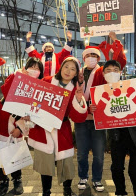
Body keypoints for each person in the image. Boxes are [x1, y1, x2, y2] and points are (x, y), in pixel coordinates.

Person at [89, 59, 136, 196]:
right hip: (116, 137)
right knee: (116, 168)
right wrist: (93, 109)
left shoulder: (133, 86)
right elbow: (101, 114)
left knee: (135, 170)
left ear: (120, 72)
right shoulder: (99, 92)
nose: (112, 73)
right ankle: (120, 192)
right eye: (108, 70)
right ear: (103, 74)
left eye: (115, 70)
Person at [28, 57, 88, 196]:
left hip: (62, 130)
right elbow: (33, 99)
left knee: (66, 164)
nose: (68, 71)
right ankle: (46, 191)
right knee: (45, 165)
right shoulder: (47, 81)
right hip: (43, 129)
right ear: (61, 67)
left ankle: (67, 189)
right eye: (66, 66)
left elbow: (78, 117)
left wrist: (79, 100)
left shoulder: (74, 89)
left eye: (73, 69)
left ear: (75, 74)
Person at [75, 32, 127, 192]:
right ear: (83, 58)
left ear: (98, 58)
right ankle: (83, 177)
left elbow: (119, 63)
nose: (91, 57)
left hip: (99, 119)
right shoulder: (77, 72)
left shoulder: (103, 71)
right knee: (82, 153)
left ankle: (97, 179)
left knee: (98, 153)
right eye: (88, 55)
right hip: (82, 118)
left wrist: (115, 41)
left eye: (94, 55)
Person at [0, 58, 44, 196]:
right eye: (31, 67)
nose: (34, 70)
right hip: (3, 118)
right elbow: (5, 90)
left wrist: (21, 129)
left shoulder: (41, 87)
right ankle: (3, 181)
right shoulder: (16, 77)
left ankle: (17, 180)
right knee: (0, 154)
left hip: (18, 123)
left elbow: (36, 114)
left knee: (14, 153)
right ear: (25, 67)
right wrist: (20, 76)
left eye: (37, 68)